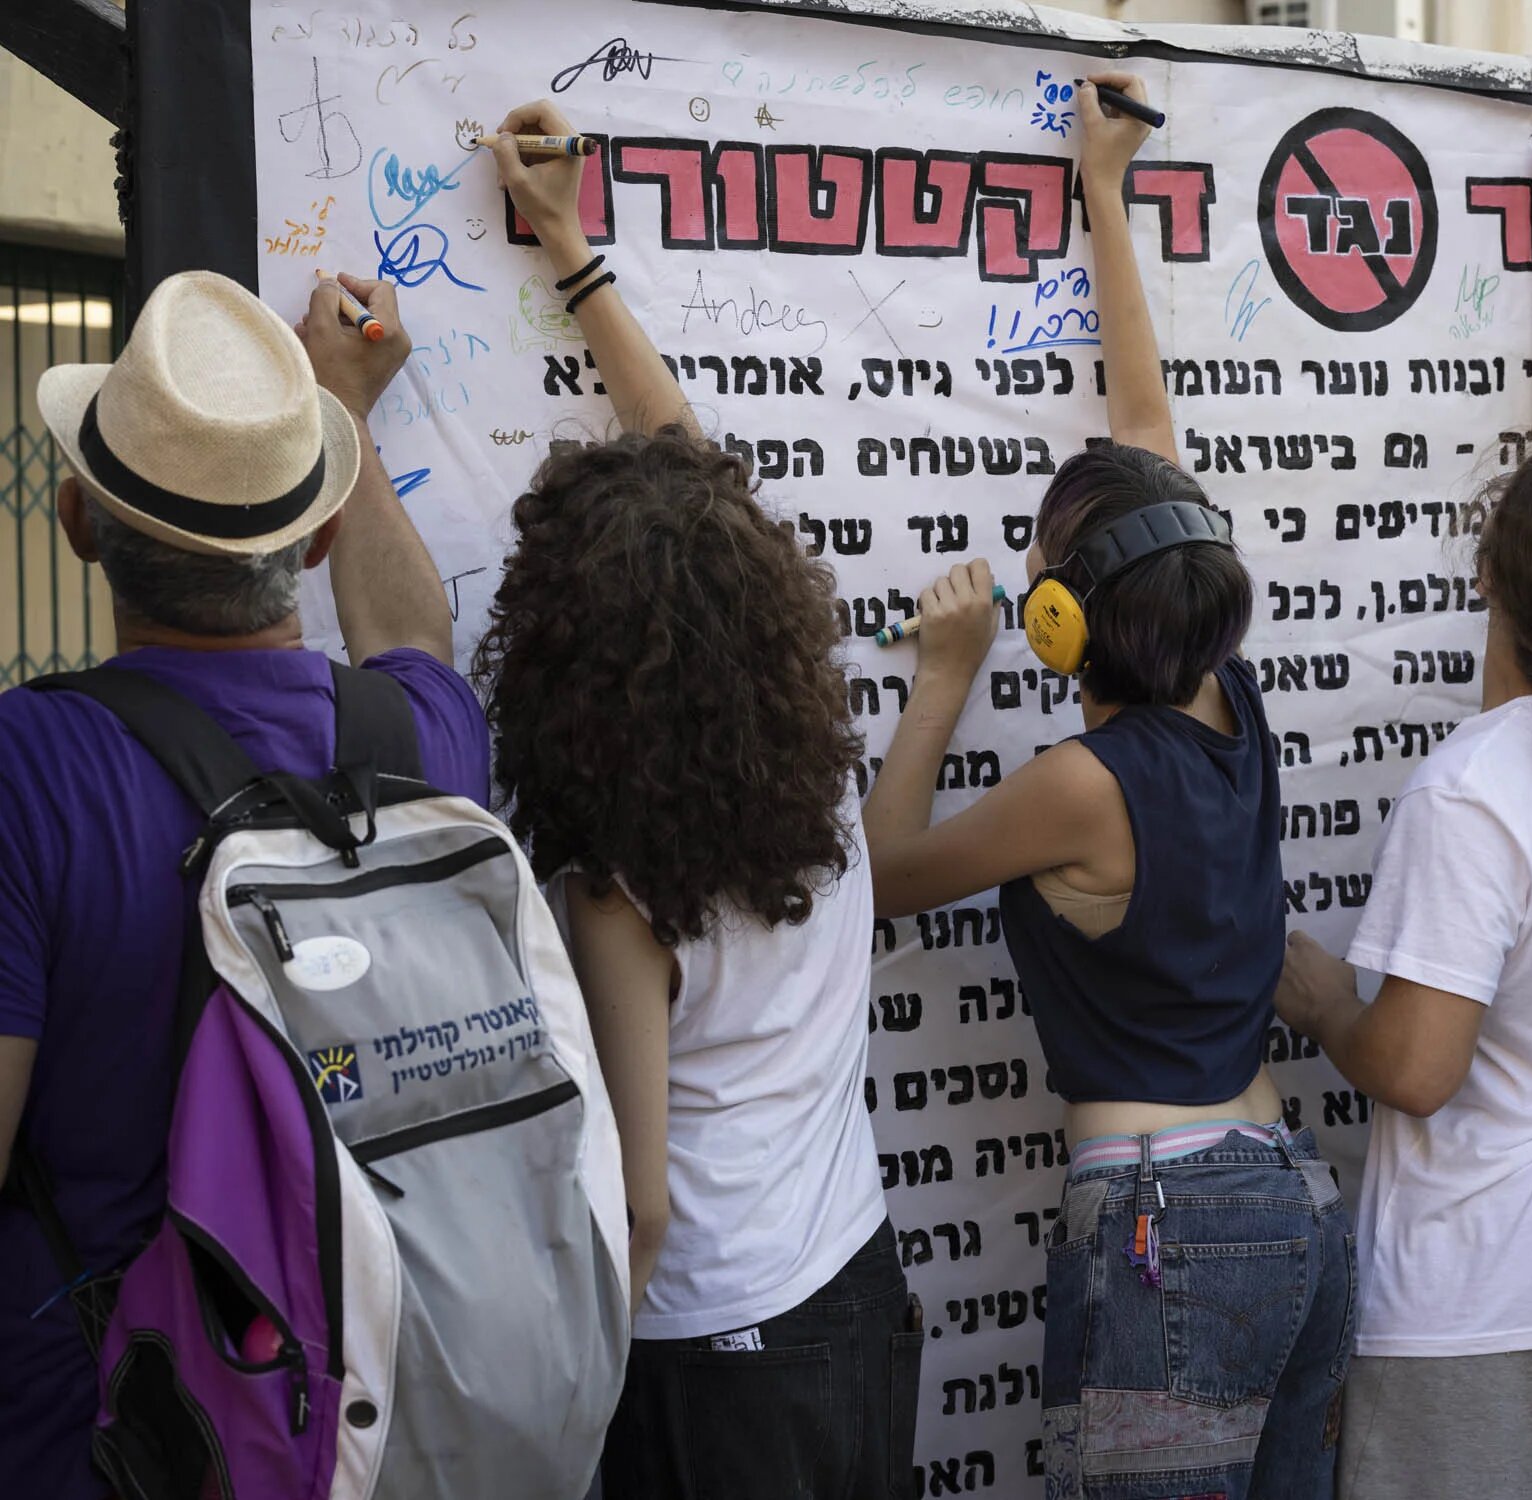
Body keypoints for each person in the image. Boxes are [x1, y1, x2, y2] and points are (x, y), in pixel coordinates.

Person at [860, 73, 1355, 1500]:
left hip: (1168, 1224)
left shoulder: (1086, 783)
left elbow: (885, 877)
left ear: (1064, 622)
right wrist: (1102, 198)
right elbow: (1149, 432)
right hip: (1288, 1199)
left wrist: (944, 677)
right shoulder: (1227, 697)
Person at [470, 101, 917, 1499]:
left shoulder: (617, 895)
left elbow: (642, 1203)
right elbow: (698, 492)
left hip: (707, 1352)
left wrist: (567, 1381)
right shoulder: (811, 765)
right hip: (853, 1286)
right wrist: (573, 253)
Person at [0, 267, 477, 1497]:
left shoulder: (27, 773)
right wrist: (343, 412)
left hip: (112, 1438)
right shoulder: (418, 742)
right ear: (317, 536)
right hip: (380, 1426)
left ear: (79, 522)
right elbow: (413, 635)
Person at [1272, 125, 1532, 1500]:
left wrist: (1316, 989)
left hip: (1480, 1309)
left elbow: (1412, 1067)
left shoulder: (1474, 791)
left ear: (1491, 582)